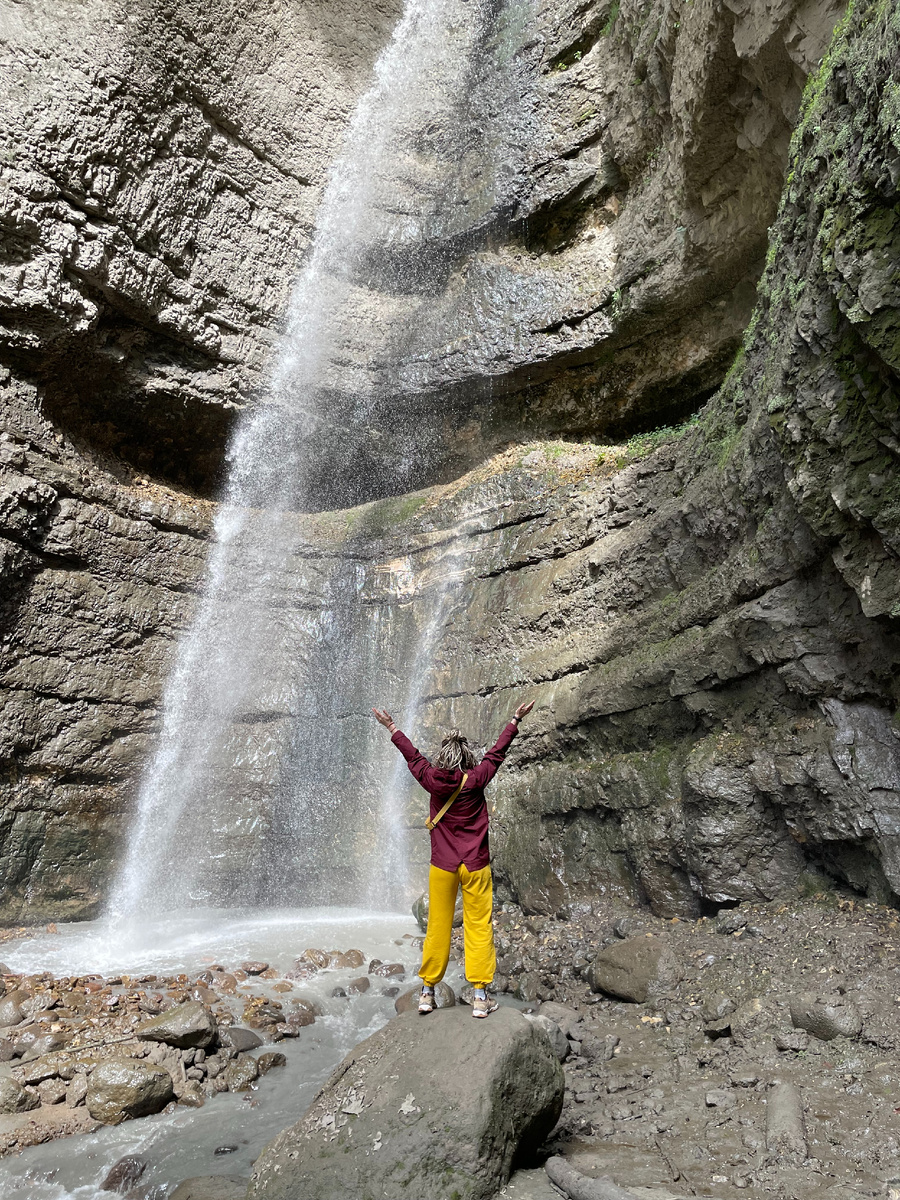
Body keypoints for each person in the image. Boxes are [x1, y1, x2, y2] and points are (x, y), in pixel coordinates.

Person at [372, 699, 534, 1018]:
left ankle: (427, 993)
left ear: (443, 759)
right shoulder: (477, 778)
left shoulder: (431, 780)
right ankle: (479, 996)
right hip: (475, 864)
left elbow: (412, 755)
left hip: (442, 866)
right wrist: (514, 719)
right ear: (467, 758)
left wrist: (391, 726)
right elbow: (496, 753)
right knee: (478, 926)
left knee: (437, 927)